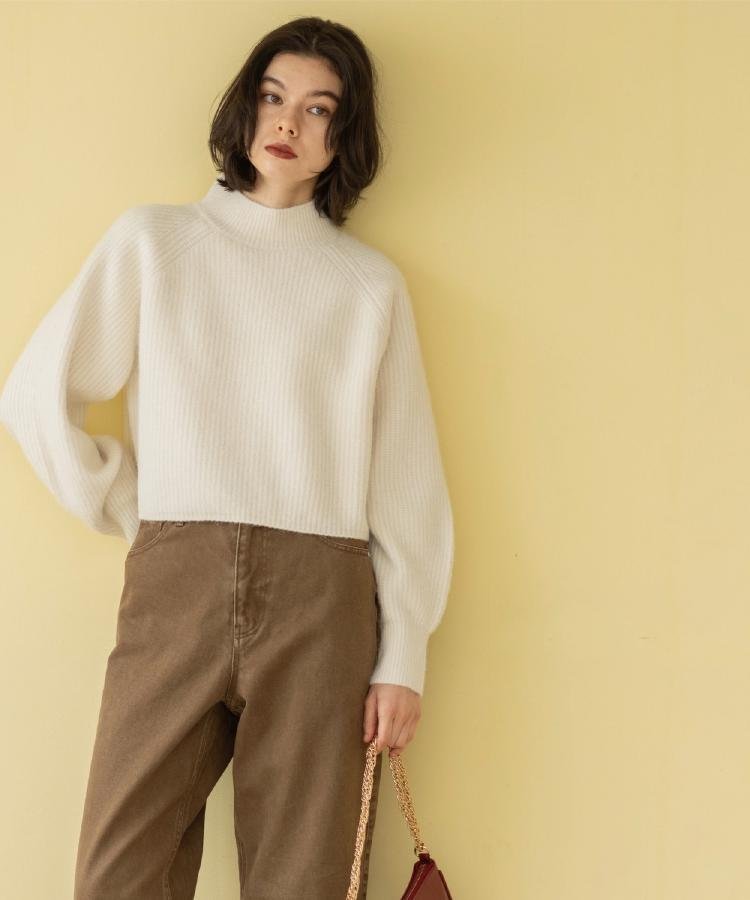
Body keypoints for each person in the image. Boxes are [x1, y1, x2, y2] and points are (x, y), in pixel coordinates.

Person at [0, 15, 454, 900]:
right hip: (177, 583)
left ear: (344, 137)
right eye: (273, 96)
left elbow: (406, 481)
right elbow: (34, 398)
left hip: (322, 602)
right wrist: (139, 512)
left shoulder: (368, 287)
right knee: (119, 873)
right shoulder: (153, 243)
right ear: (244, 107)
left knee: (304, 879)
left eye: (319, 109)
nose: (288, 122)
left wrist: (404, 654)